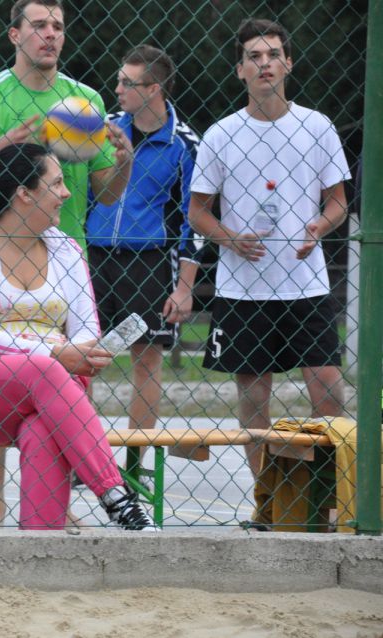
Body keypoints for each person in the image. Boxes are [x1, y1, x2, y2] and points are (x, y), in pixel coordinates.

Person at [0, 0, 134, 525]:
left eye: (58, 27)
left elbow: (106, 195)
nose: (50, 35)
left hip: (62, 254)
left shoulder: (85, 100)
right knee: (7, 364)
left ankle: (57, 505)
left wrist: (126, 161)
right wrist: (8, 143)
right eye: (40, 26)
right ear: (15, 34)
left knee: (64, 372)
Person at [0, 142, 157, 531]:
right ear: (24, 193)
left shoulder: (66, 250)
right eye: (57, 183)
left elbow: (86, 326)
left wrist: (85, 353)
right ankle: (116, 495)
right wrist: (56, 352)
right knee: (45, 370)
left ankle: (40, 547)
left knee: (42, 425)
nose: (67, 193)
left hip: (47, 393)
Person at [188, 18, 350, 479]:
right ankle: (266, 497)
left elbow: (338, 201)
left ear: (288, 64)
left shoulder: (316, 127)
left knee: (329, 391)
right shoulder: (221, 135)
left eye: (273, 55)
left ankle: (333, 489)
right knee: (254, 397)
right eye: (254, 57)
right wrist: (229, 238)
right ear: (240, 70)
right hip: (243, 290)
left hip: (306, 284)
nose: (264, 64)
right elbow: (198, 212)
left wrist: (320, 224)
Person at [85, 45, 201, 475]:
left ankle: (133, 468)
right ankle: (84, 461)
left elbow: (195, 220)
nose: (116, 90)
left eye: (126, 83)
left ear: (153, 89)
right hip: (93, 257)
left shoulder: (185, 144)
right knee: (82, 358)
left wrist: (185, 287)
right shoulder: (103, 130)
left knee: (146, 360)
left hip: (148, 262)